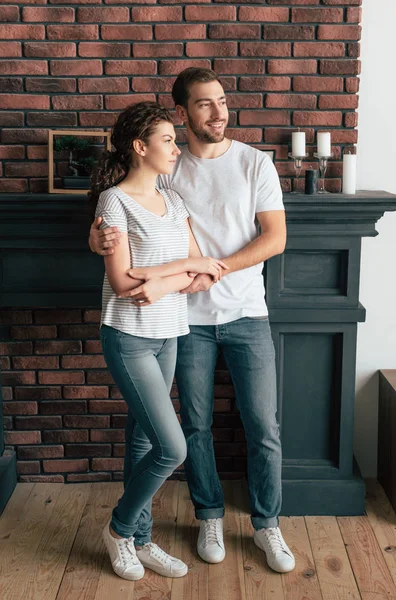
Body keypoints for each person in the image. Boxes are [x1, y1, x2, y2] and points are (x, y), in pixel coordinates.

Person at [90, 68, 296, 574]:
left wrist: (195, 272)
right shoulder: (166, 165)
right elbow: (117, 213)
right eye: (204, 104)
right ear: (180, 115)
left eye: (222, 101)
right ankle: (206, 516)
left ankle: (268, 525)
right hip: (182, 322)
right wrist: (97, 241)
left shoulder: (253, 163)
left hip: (245, 311)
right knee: (192, 430)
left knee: (263, 427)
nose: (218, 111)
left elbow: (274, 240)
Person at [89, 100, 229, 581]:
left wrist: (160, 278)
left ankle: (141, 541)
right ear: (139, 146)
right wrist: (167, 273)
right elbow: (126, 286)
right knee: (173, 448)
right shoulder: (114, 201)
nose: (175, 147)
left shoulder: (174, 201)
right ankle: (120, 528)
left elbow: (204, 270)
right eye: (167, 140)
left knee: (144, 439)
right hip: (128, 337)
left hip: (169, 332)